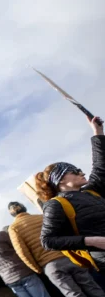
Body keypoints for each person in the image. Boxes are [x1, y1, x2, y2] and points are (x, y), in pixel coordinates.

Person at [8, 201, 105, 297]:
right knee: (95, 290)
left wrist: (38, 269)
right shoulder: (42, 217)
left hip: (51, 267)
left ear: (11, 214)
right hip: (69, 258)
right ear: (24, 208)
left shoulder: (14, 228)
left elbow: (23, 253)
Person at [37, 115, 105, 269]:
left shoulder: (91, 192)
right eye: (75, 171)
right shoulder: (56, 205)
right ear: (60, 180)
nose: (81, 173)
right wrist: (90, 241)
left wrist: (98, 132)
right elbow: (48, 241)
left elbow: (100, 165)